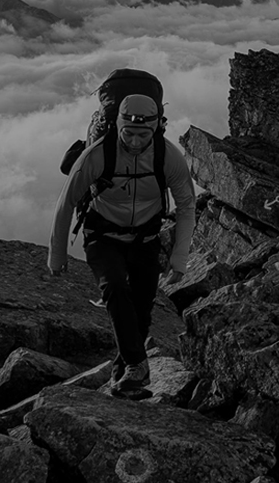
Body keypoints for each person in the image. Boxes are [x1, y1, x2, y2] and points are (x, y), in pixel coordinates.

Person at [48, 93, 195, 397]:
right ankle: (138, 366)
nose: (136, 141)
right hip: (102, 237)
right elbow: (66, 203)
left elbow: (186, 206)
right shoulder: (97, 155)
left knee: (141, 312)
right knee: (114, 286)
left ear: (156, 129)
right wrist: (57, 254)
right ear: (117, 126)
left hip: (146, 239)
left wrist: (179, 258)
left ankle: (124, 381)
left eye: (144, 135)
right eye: (129, 133)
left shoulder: (168, 157)